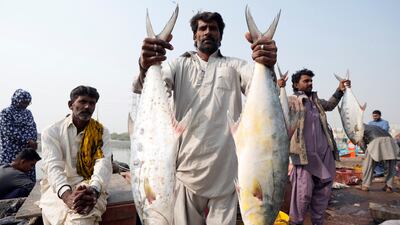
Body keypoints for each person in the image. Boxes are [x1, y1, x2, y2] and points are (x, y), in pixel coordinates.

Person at [133, 11, 277, 225]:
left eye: (213, 29)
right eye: (202, 28)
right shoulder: (177, 65)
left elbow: (263, 89)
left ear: (220, 36)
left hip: (226, 178)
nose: (208, 32)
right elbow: (147, 88)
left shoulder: (236, 66)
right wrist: (145, 66)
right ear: (194, 36)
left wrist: (268, 65)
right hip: (185, 175)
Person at [279, 68, 350, 225]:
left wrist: (340, 90)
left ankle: (318, 221)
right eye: (306, 81)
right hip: (304, 156)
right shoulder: (290, 100)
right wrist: (279, 88)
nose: (310, 83)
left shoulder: (317, 102)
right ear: (296, 84)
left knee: (323, 192)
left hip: (325, 154)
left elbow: (331, 105)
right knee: (302, 194)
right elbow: (276, 107)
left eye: (311, 81)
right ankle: (296, 222)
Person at [39, 86, 112, 225]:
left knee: (82, 217)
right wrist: (67, 196)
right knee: (58, 216)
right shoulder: (51, 132)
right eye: (82, 101)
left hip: (90, 183)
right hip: (59, 186)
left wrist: (94, 190)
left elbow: (103, 163)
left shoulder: (101, 132)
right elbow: (53, 167)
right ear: (71, 105)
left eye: (92, 103)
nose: (87, 106)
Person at [0, 89, 38, 181]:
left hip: (27, 151)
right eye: (24, 102)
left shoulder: (28, 113)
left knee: (28, 179)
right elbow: (8, 131)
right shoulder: (6, 112)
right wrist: (27, 140)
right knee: (10, 177)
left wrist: (33, 141)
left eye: (28, 103)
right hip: (11, 151)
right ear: (16, 100)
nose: (25, 105)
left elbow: (33, 127)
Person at [356, 124, 399, 193]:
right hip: (390, 141)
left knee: (368, 165)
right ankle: (389, 187)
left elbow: (361, 143)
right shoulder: (373, 126)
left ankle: (365, 185)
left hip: (376, 140)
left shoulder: (359, 129)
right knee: (391, 166)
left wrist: (366, 151)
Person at [368, 110, 390, 177]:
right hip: (373, 143)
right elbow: (368, 132)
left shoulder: (385, 122)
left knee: (381, 158)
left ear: (380, 115)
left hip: (382, 142)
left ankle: (381, 172)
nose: (374, 117)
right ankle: (378, 171)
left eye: (376, 116)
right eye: (373, 116)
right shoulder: (370, 123)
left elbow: (384, 131)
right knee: (374, 157)